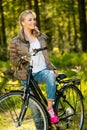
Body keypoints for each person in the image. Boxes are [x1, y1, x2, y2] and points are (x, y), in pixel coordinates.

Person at [10, 10, 59, 124]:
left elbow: (45, 56)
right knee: (35, 111)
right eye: (30, 20)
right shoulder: (15, 41)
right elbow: (13, 60)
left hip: (42, 71)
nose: (33, 22)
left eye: (34, 19)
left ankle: (50, 108)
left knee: (51, 76)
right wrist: (23, 59)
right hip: (26, 75)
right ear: (23, 22)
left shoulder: (40, 37)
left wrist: (52, 68)